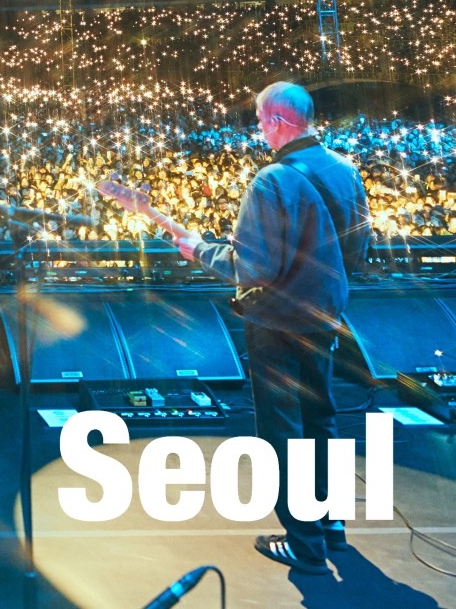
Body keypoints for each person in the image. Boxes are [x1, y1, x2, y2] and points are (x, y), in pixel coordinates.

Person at [157, 82, 369, 573]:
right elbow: (358, 251)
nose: (257, 128)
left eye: (258, 119)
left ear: (276, 120)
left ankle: (303, 543)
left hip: (276, 320)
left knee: (283, 428)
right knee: (321, 419)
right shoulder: (345, 171)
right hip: (325, 315)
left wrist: (198, 250)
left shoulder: (271, 181)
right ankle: (330, 523)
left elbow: (252, 267)